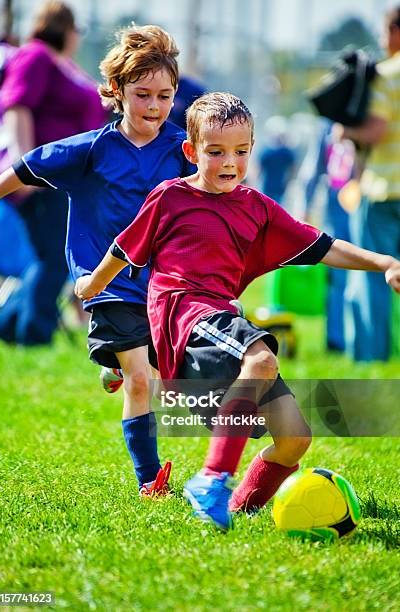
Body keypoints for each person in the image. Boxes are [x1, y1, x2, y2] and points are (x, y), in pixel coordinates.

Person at [76, 92, 399, 532]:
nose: (230, 162)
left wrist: (384, 262)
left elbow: (322, 245)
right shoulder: (169, 197)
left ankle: (232, 511)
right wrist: (92, 285)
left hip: (221, 315)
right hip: (185, 313)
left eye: (241, 151)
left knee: (294, 439)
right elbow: (124, 247)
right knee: (262, 358)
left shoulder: (256, 207)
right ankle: (212, 479)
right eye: (216, 152)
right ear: (191, 152)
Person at [0, 25, 195, 495]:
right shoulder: (91, 150)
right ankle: (151, 482)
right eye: (142, 94)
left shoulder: (182, 149)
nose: (154, 107)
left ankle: (117, 365)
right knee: (142, 382)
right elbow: (25, 168)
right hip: (106, 284)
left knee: (168, 375)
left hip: (165, 284)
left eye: (165, 96)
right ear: (118, 92)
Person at [0, 0, 106, 346]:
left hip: (65, 178)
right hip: (42, 176)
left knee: (51, 256)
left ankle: (8, 325)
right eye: (77, 31)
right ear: (65, 28)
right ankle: (34, 336)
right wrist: (25, 167)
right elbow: (18, 106)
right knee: (55, 257)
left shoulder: (64, 66)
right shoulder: (35, 56)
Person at [335, 6, 400, 361]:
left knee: (376, 273)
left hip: (385, 190)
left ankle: (372, 357)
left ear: (395, 30)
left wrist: (344, 130)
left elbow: (376, 129)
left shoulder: (387, 74)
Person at [303, 119, 355, 351]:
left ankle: (357, 340)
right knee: (338, 274)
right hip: (336, 207)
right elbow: (314, 167)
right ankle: (338, 339)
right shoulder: (327, 124)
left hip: (357, 203)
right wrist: (304, 207)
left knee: (359, 275)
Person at [257, 116, 296, 205]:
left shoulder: (267, 150)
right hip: (273, 187)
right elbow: (292, 169)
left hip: (271, 187)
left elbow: (258, 170)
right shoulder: (285, 151)